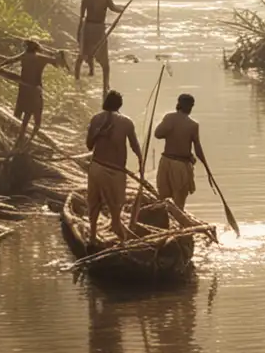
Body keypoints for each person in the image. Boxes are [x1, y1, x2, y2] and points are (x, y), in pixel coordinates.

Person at [86, 89, 141, 245]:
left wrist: (98, 133)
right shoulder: (126, 122)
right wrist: (141, 160)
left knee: (94, 202)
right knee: (116, 205)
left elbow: (89, 146)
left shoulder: (96, 119)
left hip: (97, 167)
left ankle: (92, 235)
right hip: (115, 170)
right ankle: (120, 235)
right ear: (120, 105)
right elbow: (134, 146)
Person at [151, 93, 214, 221]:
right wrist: (206, 167)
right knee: (178, 203)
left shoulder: (170, 118)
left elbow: (158, 134)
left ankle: (169, 224)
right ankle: (176, 226)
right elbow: (197, 148)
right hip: (179, 165)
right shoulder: (192, 124)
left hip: (167, 162)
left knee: (163, 198)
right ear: (190, 107)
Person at [0, 40, 66, 138]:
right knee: (36, 117)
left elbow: (9, 60)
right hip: (36, 90)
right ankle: (30, 139)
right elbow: (58, 63)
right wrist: (58, 54)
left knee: (21, 114)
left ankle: (15, 137)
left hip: (24, 90)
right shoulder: (41, 58)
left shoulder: (24, 56)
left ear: (27, 49)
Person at [74, 0, 125, 94]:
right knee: (104, 60)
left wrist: (79, 31)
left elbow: (81, 16)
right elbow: (114, 8)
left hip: (88, 27)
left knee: (82, 54)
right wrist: (122, 9)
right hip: (99, 28)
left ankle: (76, 79)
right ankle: (105, 85)